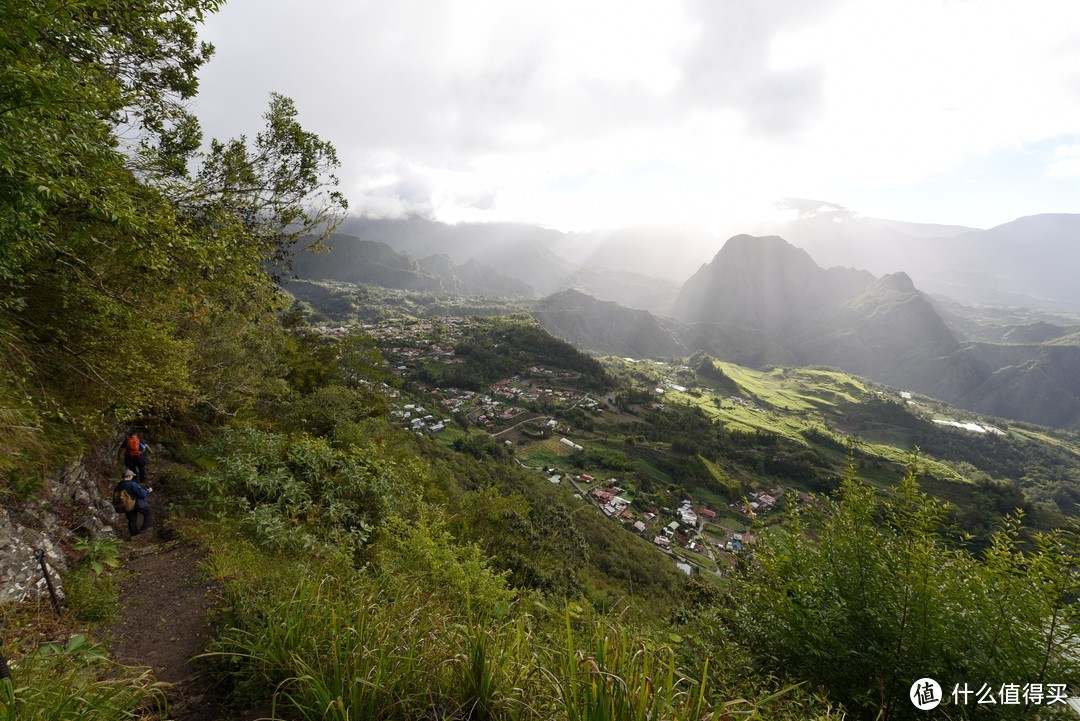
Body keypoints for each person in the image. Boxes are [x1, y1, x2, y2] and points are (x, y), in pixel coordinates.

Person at [115, 469, 153, 537]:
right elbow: (142, 494)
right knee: (148, 512)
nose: (132, 477)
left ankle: (134, 534)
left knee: (132, 519)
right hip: (136, 503)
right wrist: (148, 491)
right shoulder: (132, 484)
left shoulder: (118, 486)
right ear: (129, 476)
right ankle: (145, 527)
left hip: (126, 505)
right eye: (132, 475)